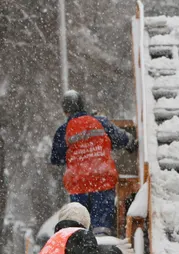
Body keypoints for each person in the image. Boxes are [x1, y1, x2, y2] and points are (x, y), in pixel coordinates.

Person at [51, 90, 136, 236]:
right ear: (83, 105)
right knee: (102, 226)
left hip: (78, 184)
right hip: (102, 179)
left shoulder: (63, 130)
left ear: (65, 111)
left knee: (80, 224)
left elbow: (56, 158)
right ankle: (102, 245)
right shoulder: (100, 122)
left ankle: (83, 251)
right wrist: (131, 143)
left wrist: (76, 152)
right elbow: (122, 139)